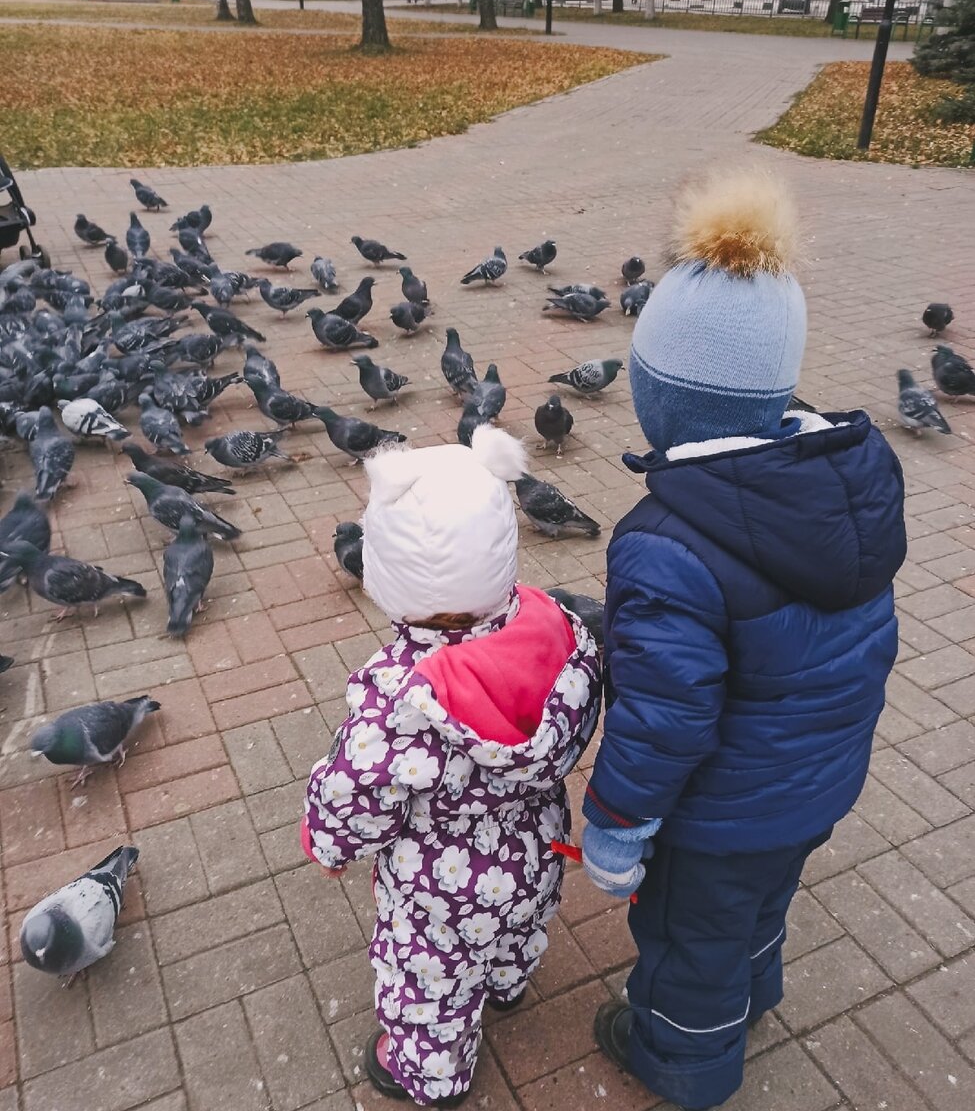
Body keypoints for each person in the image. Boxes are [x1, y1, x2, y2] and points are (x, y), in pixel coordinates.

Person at [581, 169, 906, 1111]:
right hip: (814, 786)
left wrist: (615, 825)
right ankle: (755, 989)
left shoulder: (663, 542)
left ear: (662, 401)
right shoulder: (846, 490)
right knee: (758, 908)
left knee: (687, 944)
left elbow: (665, 719)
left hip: (719, 818)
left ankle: (681, 1063)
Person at [303, 426, 602, 1107]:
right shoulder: (559, 629)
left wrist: (329, 843)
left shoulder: (399, 698)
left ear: (386, 576)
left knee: (428, 982)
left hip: (440, 882)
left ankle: (429, 1073)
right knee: (516, 923)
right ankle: (506, 981)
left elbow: (355, 792)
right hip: (534, 847)